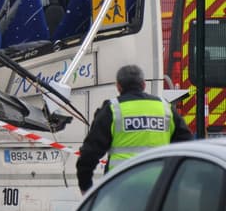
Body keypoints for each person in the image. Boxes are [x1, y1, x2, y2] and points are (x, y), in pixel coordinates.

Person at [76, 64, 193, 193]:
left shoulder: (112, 110)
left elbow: (89, 153)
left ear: (118, 86)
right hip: (160, 187)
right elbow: (186, 144)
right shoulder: (165, 108)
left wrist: (85, 187)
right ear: (143, 85)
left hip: (120, 187)